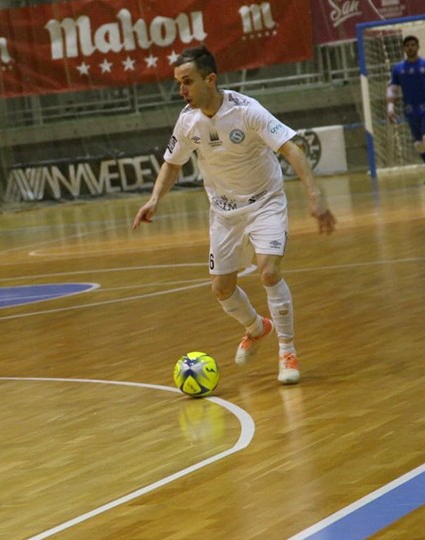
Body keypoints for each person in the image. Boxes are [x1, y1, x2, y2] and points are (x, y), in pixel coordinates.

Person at [132, 46, 336, 385]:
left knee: (269, 272)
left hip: (265, 202)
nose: (182, 91)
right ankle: (257, 328)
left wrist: (315, 197)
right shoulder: (188, 120)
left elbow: (292, 148)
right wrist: (154, 199)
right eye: (178, 83)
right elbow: (172, 163)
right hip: (224, 212)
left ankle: (287, 350)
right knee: (221, 289)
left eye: (188, 82)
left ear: (210, 79)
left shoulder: (247, 111)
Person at [386, 35, 425, 183]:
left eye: (413, 45)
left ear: (418, 47)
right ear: (404, 48)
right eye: (407, 45)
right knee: (419, 145)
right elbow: (393, 89)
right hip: (410, 110)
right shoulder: (398, 69)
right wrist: (390, 107)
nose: (410, 48)